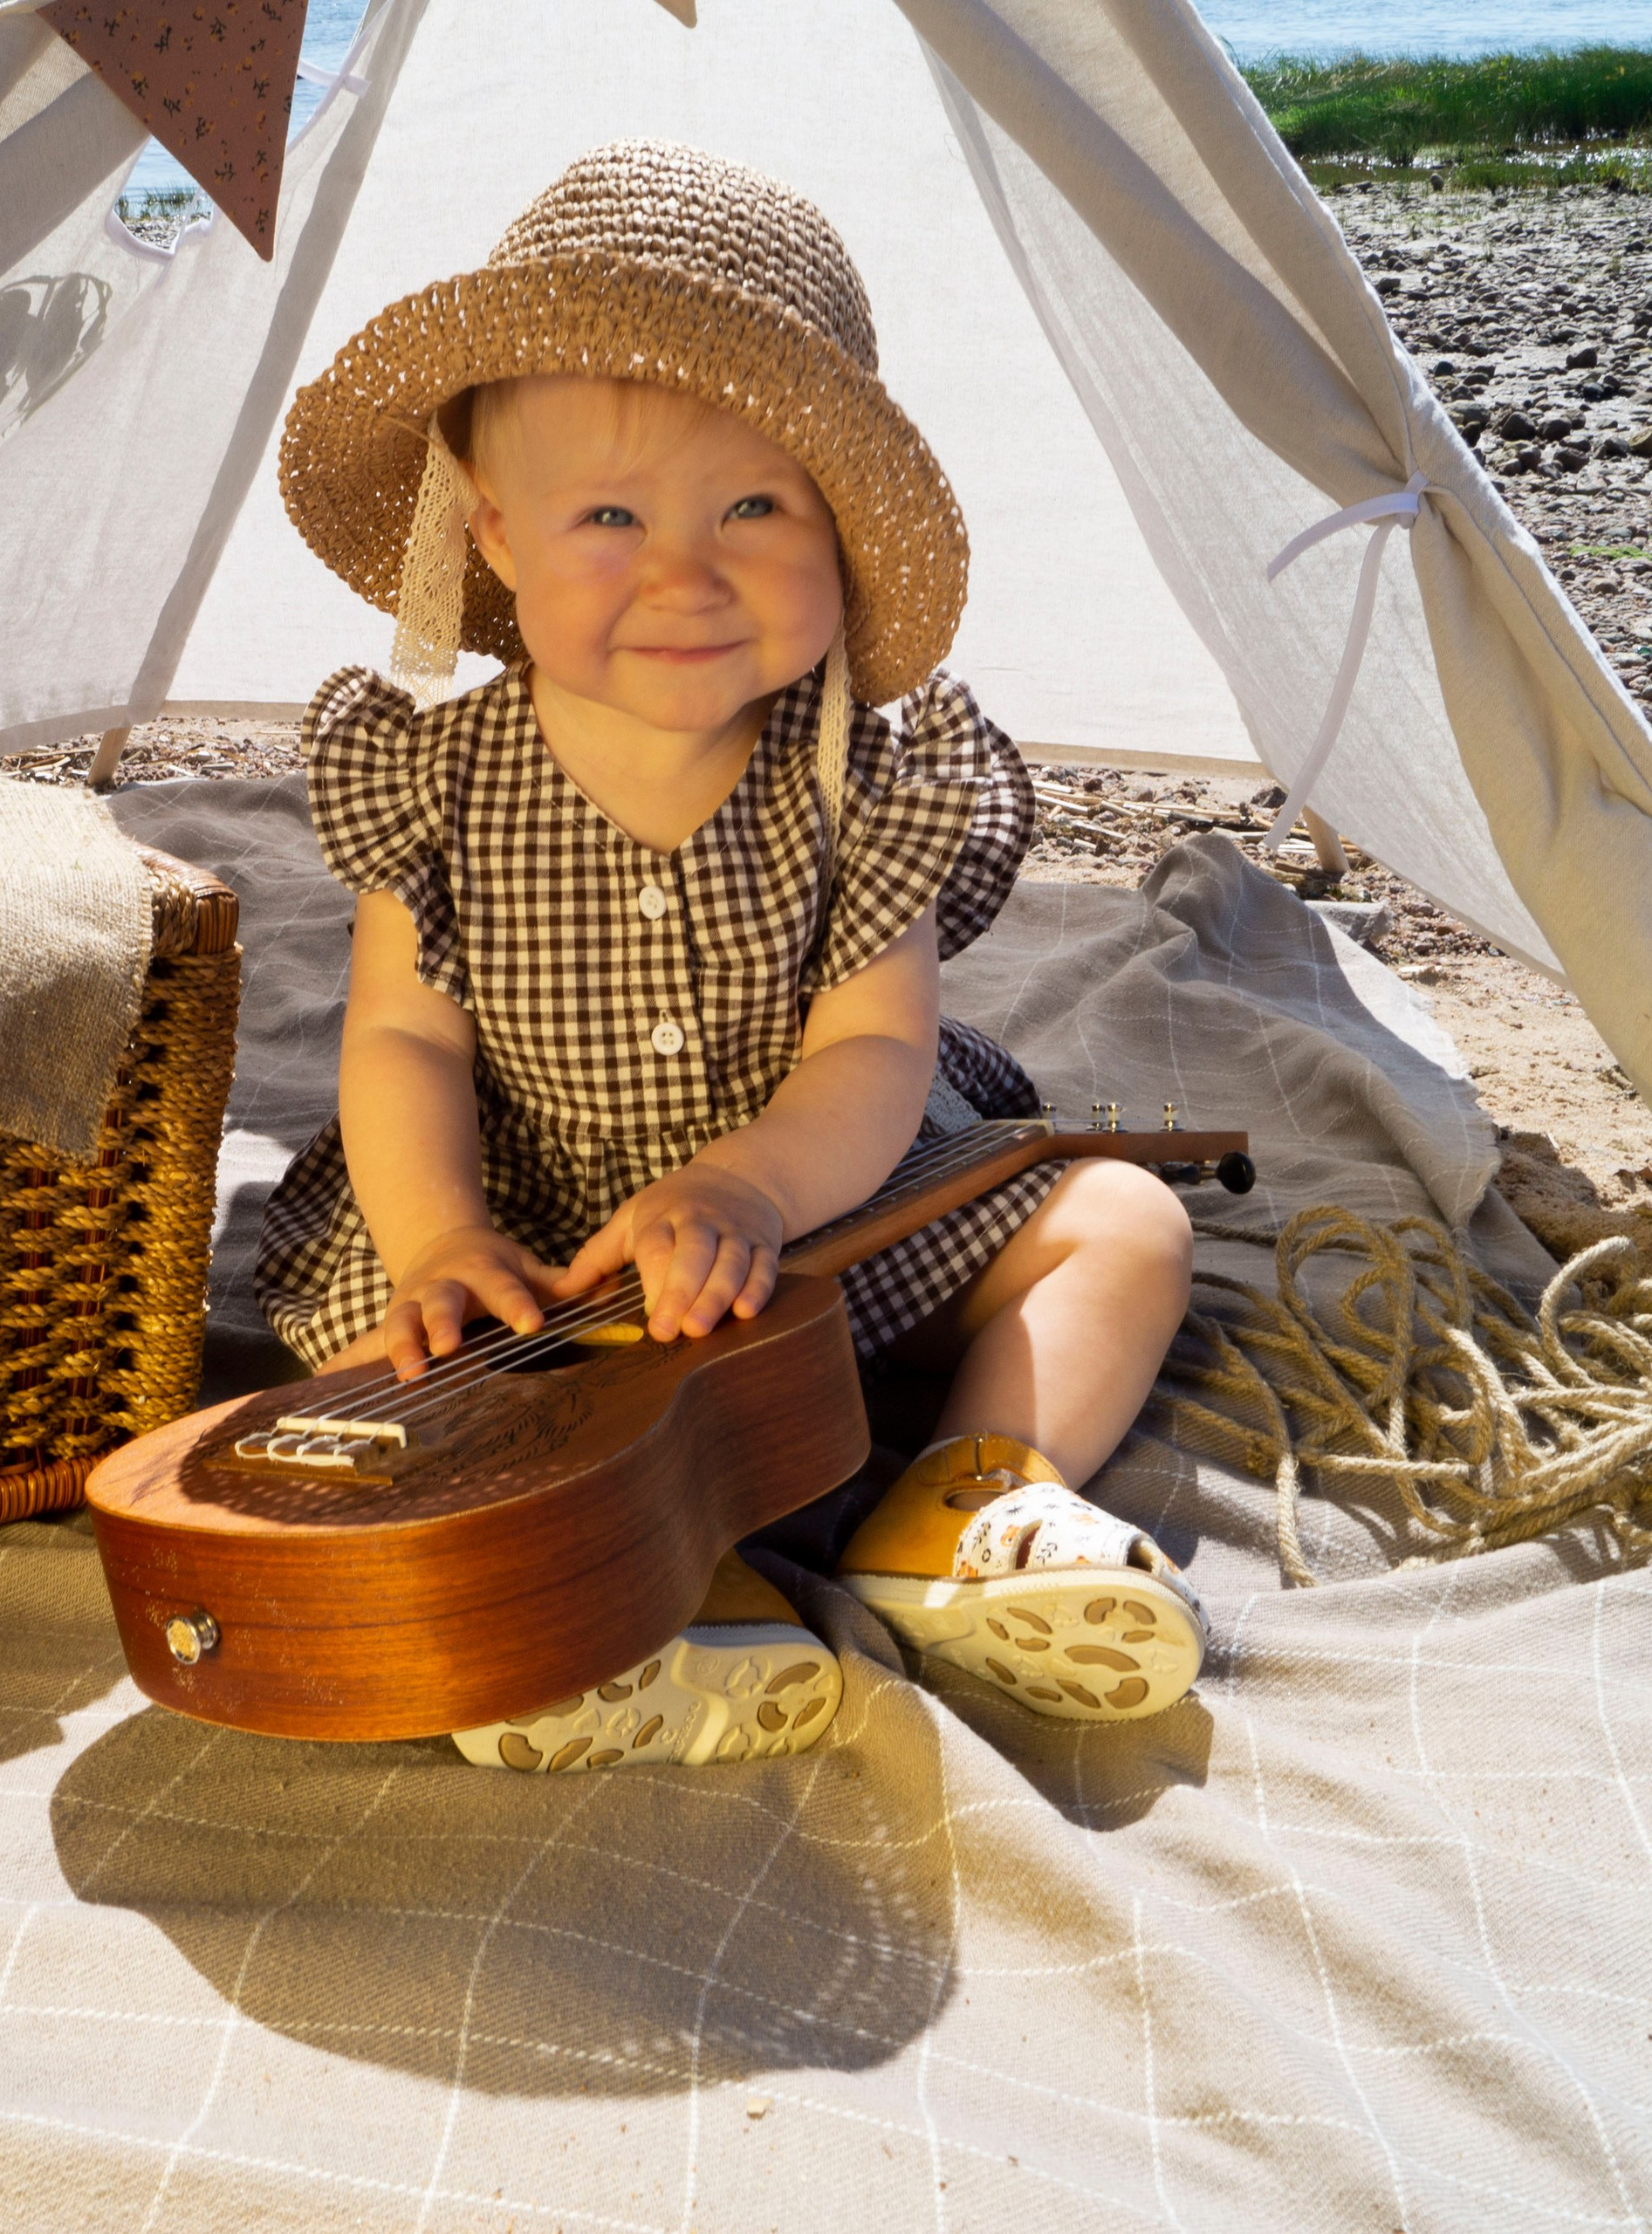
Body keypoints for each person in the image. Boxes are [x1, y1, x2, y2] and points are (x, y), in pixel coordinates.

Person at [256, 140, 1203, 1771]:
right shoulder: (432, 781)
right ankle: (634, 1598)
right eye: (609, 516)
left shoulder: (866, 781)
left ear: (844, 530)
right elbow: (407, 1044)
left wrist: (752, 1188)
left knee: (1125, 1225)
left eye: (756, 506)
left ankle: (965, 1498)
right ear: (495, 536)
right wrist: (439, 1239)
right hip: (540, 1238)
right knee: (373, 1392)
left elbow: (875, 1051)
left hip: (815, 1212)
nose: (685, 573)